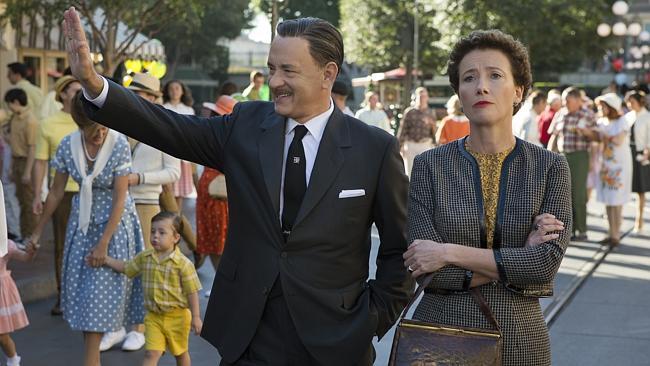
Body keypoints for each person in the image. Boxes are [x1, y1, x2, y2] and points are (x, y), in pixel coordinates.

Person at [65, 8, 411, 365]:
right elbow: (169, 128)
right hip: (251, 334)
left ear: (328, 74)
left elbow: (399, 248)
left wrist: (373, 317)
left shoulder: (374, 149)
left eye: (288, 70)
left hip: (337, 339)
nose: (274, 81)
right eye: (272, 68)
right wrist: (95, 86)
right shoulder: (245, 125)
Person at [403, 30, 571, 365]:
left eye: (495, 75)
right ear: (459, 94)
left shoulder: (550, 167)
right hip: (440, 335)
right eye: (469, 78)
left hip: (521, 339)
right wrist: (519, 256)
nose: (481, 86)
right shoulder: (429, 166)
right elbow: (427, 270)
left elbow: (543, 266)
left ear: (518, 91)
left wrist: (447, 251)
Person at [28, 91, 145, 366]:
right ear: (79, 125)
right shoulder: (68, 146)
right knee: (85, 305)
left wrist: (104, 241)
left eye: (104, 128)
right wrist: (37, 230)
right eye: (94, 130)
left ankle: (91, 361)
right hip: (81, 228)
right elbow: (56, 192)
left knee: (97, 307)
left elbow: (119, 197)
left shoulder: (118, 145)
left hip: (115, 228)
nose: (100, 135)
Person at [98, 73, 182, 353]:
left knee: (144, 267)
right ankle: (116, 325)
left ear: (154, 98)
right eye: (133, 93)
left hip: (147, 204)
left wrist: (139, 177)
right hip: (118, 204)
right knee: (118, 266)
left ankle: (139, 328)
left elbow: (173, 171)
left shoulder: (163, 128)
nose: (136, 98)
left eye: (142, 94)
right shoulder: (118, 128)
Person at [103, 211, 202, 366]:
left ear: (176, 238)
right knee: (151, 353)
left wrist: (196, 317)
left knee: (180, 353)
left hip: (177, 317)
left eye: (162, 233)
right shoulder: (145, 257)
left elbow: (192, 291)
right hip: (153, 317)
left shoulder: (183, 264)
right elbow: (128, 268)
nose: (155, 236)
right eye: (153, 231)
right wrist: (107, 260)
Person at [31, 75, 81, 315]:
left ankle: (84, 293)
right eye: (74, 91)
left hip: (90, 191)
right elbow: (40, 161)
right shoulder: (48, 124)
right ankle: (63, 296)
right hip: (62, 194)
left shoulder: (90, 120)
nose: (79, 95)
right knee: (63, 247)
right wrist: (37, 194)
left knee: (89, 246)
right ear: (63, 94)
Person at [195, 96, 236, 291]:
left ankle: (224, 287)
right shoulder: (215, 136)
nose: (211, 117)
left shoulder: (230, 140)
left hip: (220, 203)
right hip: (208, 202)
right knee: (212, 244)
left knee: (221, 246)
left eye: (215, 114)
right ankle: (220, 285)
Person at [548, 87, 598, 241]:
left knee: (578, 194)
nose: (564, 103)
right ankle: (567, 231)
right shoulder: (561, 113)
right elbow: (554, 136)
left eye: (567, 100)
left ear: (577, 100)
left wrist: (585, 132)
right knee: (563, 195)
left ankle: (581, 230)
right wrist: (549, 155)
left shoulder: (587, 114)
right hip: (563, 155)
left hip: (580, 156)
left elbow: (597, 137)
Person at [0, 178, 38, 366]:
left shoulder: (6, 245)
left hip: (1, 291)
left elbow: (24, 258)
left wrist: (30, 251)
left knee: (2, 335)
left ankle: (13, 358)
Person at [161, 80, 198, 249]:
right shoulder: (164, 107)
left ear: (182, 91)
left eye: (177, 88)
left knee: (179, 202)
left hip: (183, 158)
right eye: (171, 89)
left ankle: (176, 235)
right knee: (169, 202)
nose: (175, 91)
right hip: (167, 155)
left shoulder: (188, 110)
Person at [594, 93, 633, 246]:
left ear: (611, 107)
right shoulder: (601, 122)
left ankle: (616, 234)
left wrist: (603, 136)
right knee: (609, 201)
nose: (600, 108)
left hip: (620, 166)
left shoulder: (622, 121)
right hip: (606, 164)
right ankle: (611, 232)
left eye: (603, 106)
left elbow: (618, 140)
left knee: (617, 200)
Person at [2, 89, 38, 240]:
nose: (8, 107)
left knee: (28, 202)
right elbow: (13, 143)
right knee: (21, 200)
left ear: (16, 102)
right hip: (16, 160)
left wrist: (27, 172)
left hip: (25, 162)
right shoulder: (15, 118)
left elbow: (32, 148)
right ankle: (23, 235)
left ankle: (31, 236)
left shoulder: (30, 120)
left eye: (9, 104)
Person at [624, 91, 650, 233]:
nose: (629, 105)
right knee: (626, 185)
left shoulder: (647, 117)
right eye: (628, 102)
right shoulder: (628, 116)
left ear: (640, 102)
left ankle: (639, 221)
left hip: (641, 154)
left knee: (640, 189)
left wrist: (647, 153)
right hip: (627, 152)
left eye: (632, 102)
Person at [398, 87, 436, 176]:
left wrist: (432, 124)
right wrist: (399, 147)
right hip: (411, 145)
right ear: (415, 97)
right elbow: (403, 130)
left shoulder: (431, 112)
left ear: (427, 98)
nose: (422, 98)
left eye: (424, 96)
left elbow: (434, 133)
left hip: (425, 144)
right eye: (420, 96)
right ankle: (410, 190)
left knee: (426, 172)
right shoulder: (409, 112)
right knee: (410, 172)